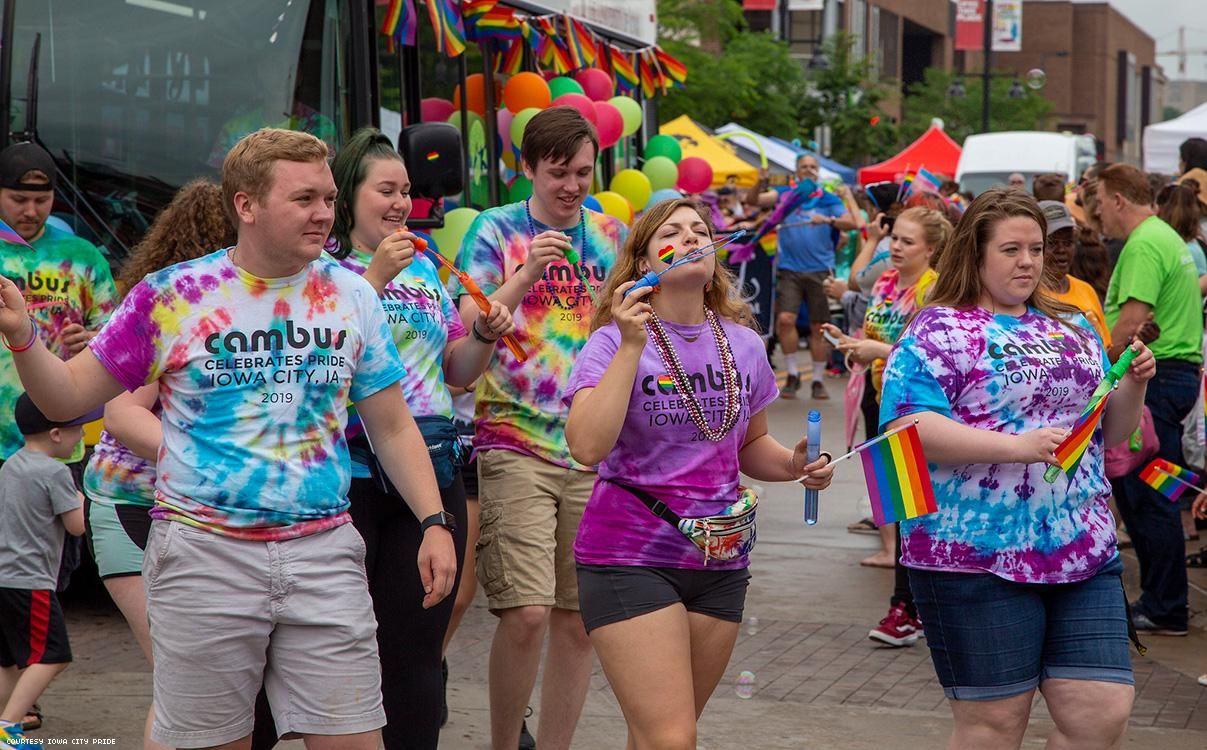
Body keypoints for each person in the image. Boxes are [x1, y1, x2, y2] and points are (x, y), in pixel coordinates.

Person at [0, 128, 458, 749]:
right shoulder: (174, 296)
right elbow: (67, 398)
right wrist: (25, 337)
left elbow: (392, 424)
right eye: (304, 199)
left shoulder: (352, 294)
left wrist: (434, 521)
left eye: (328, 197)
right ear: (246, 205)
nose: (324, 212)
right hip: (204, 557)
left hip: (325, 553)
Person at [880, 187, 1154, 749]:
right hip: (973, 554)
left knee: (1101, 713)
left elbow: (1110, 426)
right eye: (1011, 249)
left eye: (1036, 247)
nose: (1028, 260)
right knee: (994, 726)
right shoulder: (937, 330)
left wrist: (1135, 383)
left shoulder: (1074, 325)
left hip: (1081, 547)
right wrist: (1015, 447)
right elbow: (906, 430)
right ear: (974, 253)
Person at [563, 198, 835, 749]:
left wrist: (795, 463)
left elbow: (750, 445)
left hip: (720, 557)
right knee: (671, 738)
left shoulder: (743, 344)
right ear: (644, 263)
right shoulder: (612, 343)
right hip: (629, 556)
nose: (692, 238)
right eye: (673, 231)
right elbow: (586, 446)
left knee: (659, 737)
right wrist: (632, 345)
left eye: (700, 231)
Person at [327, 127, 514, 749]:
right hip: (348, 472)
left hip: (428, 469)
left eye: (406, 190)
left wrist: (483, 335)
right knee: (347, 643)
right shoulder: (322, 271)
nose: (402, 203)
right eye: (386, 190)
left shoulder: (429, 265)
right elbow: (325, 360)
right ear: (348, 195)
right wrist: (373, 278)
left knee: (416, 647)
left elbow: (454, 374)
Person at [451, 106, 626, 750]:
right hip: (514, 439)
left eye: (583, 172)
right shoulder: (496, 230)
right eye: (558, 173)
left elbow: (633, 328)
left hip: (591, 447)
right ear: (526, 169)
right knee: (525, 612)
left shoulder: (612, 234)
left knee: (579, 620)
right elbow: (473, 319)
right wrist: (527, 272)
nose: (573, 186)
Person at [81, 180, 233, 750]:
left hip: (192, 512)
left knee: (200, 684)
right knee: (181, 682)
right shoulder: (174, 308)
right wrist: (218, 462)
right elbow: (122, 418)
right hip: (134, 505)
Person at [822, 207, 951, 643]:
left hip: (918, 406)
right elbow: (873, 333)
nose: (895, 247)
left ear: (931, 249)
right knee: (897, 501)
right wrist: (851, 345)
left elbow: (929, 356)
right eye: (893, 238)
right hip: (880, 398)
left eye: (907, 241)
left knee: (912, 506)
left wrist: (875, 349)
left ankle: (907, 607)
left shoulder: (936, 290)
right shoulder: (884, 283)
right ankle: (911, 605)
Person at [1097, 164, 1202, 637]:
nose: (1097, 210)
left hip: (1154, 377)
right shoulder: (1164, 236)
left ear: (1119, 199)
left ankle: (1165, 606)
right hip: (1173, 375)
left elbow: (1131, 321)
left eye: (1099, 200)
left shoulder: (1142, 243)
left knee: (1147, 495)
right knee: (1160, 489)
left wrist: (1100, 371)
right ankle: (1166, 601)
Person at [0, 142, 117, 464]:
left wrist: (93, 341)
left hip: (58, 439)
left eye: (42, 200)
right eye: (19, 199)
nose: (31, 211)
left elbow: (117, 337)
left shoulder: (83, 256)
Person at [0, 395, 95, 746]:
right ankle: (7, 728)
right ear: (56, 434)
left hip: (4, 577)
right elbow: (75, 526)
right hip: (31, 581)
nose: (81, 434)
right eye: (77, 429)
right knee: (52, 655)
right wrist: (86, 500)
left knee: (8, 661)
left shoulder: (11, 464)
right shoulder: (55, 472)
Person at [774, 154, 857, 400]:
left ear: (817, 171)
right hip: (790, 269)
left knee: (819, 327)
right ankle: (791, 375)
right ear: (797, 172)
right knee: (786, 320)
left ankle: (818, 381)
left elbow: (852, 222)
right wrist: (759, 183)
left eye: (813, 167)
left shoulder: (827, 198)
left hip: (820, 269)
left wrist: (828, 219)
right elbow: (756, 200)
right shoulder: (786, 196)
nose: (809, 170)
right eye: (804, 167)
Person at [1038, 200, 1111, 347]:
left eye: (1068, 242)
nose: (1062, 250)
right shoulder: (1027, 297)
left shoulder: (1086, 290)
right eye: (1052, 243)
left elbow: (1105, 353)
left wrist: (1133, 342)